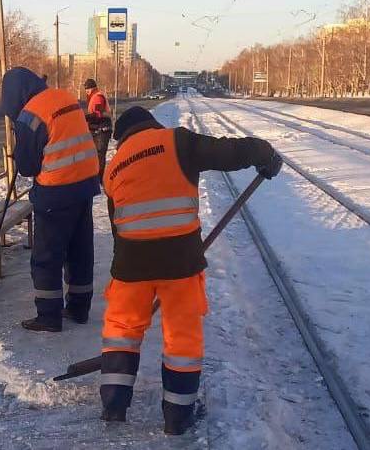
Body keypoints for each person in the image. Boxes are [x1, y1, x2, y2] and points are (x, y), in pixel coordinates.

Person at [99, 106, 282, 435]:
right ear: (151, 124)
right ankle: (177, 419)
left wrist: (135, 268)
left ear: (122, 137)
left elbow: (118, 230)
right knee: (181, 337)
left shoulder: (112, 169)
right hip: (179, 262)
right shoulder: (176, 142)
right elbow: (227, 152)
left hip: (129, 264)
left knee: (121, 332)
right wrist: (264, 152)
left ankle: (113, 406)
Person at [1, 67, 100, 332]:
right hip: (85, 185)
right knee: (80, 251)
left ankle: (48, 316)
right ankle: (79, 309)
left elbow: (28, 167)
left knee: (47, 256)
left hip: (56, 192)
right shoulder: (65, 97)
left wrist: (19, 148)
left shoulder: (29, 116)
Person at [83, 79, 112, 183]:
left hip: (102, 129)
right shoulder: (93, 97)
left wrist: (84, 117)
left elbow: (97, 114)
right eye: (85, 89)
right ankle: (96, 177)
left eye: (88, 88)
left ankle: (99, 179)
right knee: (95, 154)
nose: (86, 91)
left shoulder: (98, 97)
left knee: (99, 154)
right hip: (98, 129)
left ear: (93, 88)